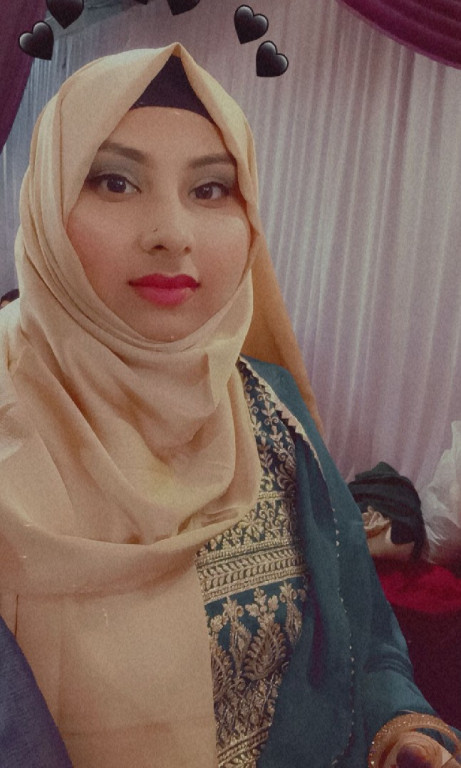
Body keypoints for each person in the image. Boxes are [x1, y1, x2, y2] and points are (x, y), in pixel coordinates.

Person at [0, 43, 459, 768]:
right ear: (46, 205)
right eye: (114, 181)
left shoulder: (271, 411)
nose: (171, 233)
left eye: (211, 189)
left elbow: (362, 630)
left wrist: (397, 725)